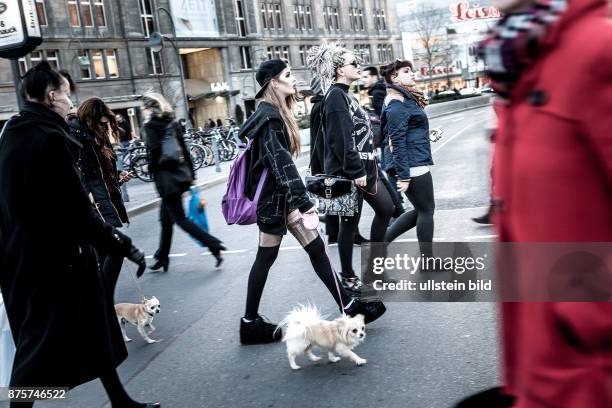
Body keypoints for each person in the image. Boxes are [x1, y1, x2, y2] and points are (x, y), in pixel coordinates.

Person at [454, 0, 612, 407]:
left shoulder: (597, 49)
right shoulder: (519, 65)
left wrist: (589, 321)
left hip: (586, 369)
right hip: (539, 366)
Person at [0, 61, 157, 408]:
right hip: (51, 263)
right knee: (35, 351)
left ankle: (121, 401)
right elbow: (74, 208)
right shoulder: (49, 139)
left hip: (27, 259)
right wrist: (119, 242)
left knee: (92, 330)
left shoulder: (13, 132)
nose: (72, 102)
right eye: (68, 94)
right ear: (52, 96)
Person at [239, 59, 385, 345]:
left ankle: (348, 305)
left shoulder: (272, 114)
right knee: (266, 257)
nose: (294, 80)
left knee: (317, 250)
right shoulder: (269, 117)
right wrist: (304, 202)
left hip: (282, 200)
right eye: (288, 75)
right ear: (273, 83)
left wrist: (297, 201)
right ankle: (249, 322)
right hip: (275, 202)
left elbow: (282, 166)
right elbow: (282, 165)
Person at [308, 44, 395, 295]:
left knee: (386, 208)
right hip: (349, 173)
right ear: (338, 70)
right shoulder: (335, 96)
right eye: (352, 63)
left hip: (364, 169)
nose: (358, 66)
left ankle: (375, 271)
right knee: (349, 224)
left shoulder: (347, 95)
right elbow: (340, 139)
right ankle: (348, 277)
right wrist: (356, 171)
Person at [142, 93, 226, 271]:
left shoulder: (151, 126)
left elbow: (155, 152)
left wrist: (147, 168)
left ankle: (214, 244)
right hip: (181, 176)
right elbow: (185, 150)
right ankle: (162, 257)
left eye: (144, 107)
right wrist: (192, 174)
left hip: (167, 181)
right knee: (166, 220)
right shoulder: (172, 123)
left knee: (179, 219)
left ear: (149, 108)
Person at [68, 98, 134, 296]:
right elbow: (77, 169)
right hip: (92, 198)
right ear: (91, 118)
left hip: (105, 195)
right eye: (101, 122)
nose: (104, 125)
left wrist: (119, 175)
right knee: (114, 247)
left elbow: (106, 167)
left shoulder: (99, 134)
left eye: (106, 122)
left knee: (104, 251)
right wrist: (84, 193)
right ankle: (103, 298)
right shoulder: (76, 133)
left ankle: (100, 299)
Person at [379, 60, 436, 260]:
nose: (412, 74)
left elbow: (409, 129)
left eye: (411, 70)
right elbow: (396, 141)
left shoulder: (405, 97)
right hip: (411, 163)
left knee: (422, 209)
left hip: (414, 158)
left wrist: (428, 134)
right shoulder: (397, 103)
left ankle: (380, 242)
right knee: (427, 210)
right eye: (406, 71)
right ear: (394, 78)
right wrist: (403, 176)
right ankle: (428, 261)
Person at [361, 66, 405, 222]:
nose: (363, 80)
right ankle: (399, 204)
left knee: (390, 169)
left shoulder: (378, 92)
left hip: (388, 138)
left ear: (374, 77)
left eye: (366, 77)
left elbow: (384, 116)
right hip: (387, 138)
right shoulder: (377, 91)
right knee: (390, 169)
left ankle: (399, 205)